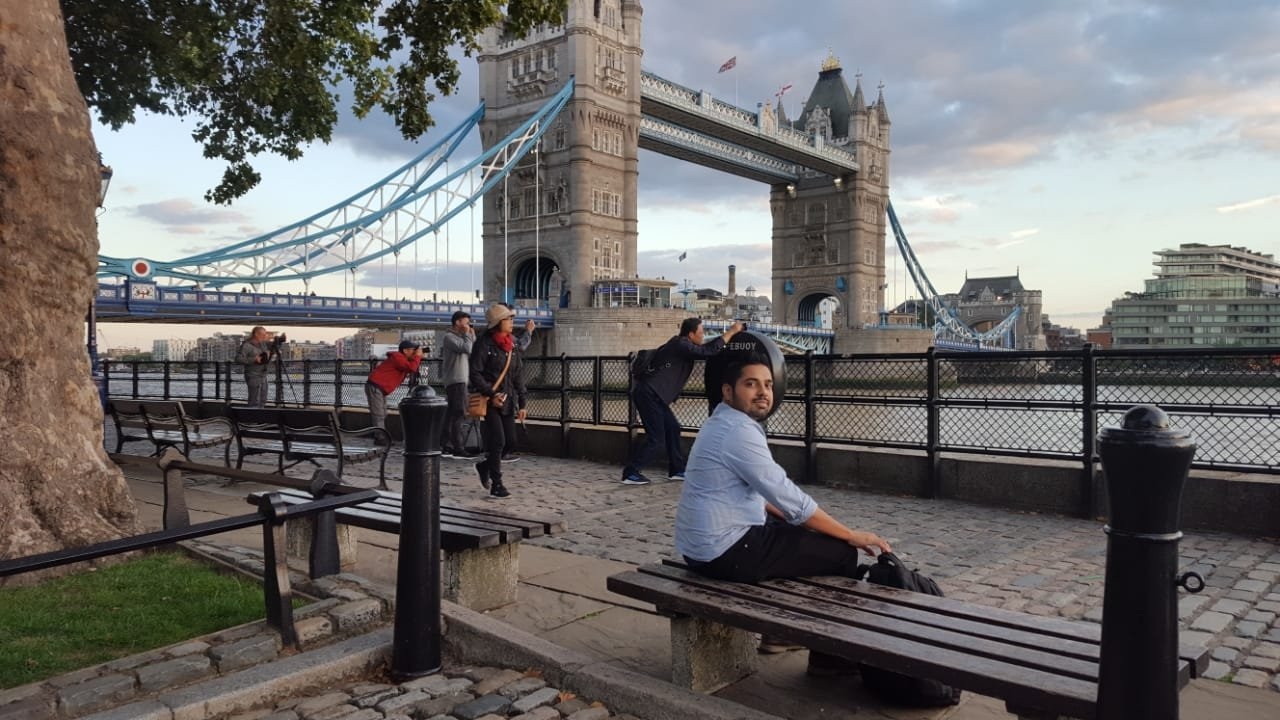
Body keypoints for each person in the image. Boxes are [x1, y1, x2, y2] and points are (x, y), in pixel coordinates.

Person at [675, 359, 892, 670]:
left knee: (808, 538)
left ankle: (782, 632)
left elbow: (763, 500)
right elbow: (791, 499)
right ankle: (827, 655)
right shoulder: (739, 432)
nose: (763, 392)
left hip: (700, 549)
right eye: (751, 384)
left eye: (768, 384)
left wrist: (806, 525)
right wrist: (849, 535)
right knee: (841, 554)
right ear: (727, 391)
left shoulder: (719, 422)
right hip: (725, 551)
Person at [621, 318, 744, 485]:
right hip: (649, 394)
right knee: (656, 438)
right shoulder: (681, 344)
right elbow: (707, 351)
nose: (703, 336)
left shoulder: (682, 345)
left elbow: (707, 349)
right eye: (701, 333)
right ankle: (631, 472)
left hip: (655, 396)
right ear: (691, 334)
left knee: (673, 429)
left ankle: (677, 470)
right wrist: (732, 331)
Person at [470, 304, 528, 499]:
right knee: (498, 441)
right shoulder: (484, 343)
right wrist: (491, 393)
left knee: (510, 442)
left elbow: (518, 375)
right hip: (490, 400)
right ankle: (497, 483)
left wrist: (522, 402)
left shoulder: (512, 344)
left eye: (512, 319)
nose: (512, 322)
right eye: (508, 319)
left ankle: (485, 466)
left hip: (508, 401)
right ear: (497, 323)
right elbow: (475, 373)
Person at [365, 339, 424, 436]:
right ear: (405, 351)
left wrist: (418, 356)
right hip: (375, 386)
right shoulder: (398, 357)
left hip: (379, 388)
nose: (414, 352)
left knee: (383, 413)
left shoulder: (402, 359)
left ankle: (380, 436)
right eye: (412, 350)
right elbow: (412, 368)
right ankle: (380, 438)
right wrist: (417, 356)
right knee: (379, 414)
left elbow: (412, 365)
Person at [439, 310, 476, 459]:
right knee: (459, 413)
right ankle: (458, 447)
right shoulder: (449, 337)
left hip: (460, 379)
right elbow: (467, 348)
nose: (468, 325)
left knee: (452, 414)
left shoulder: (460, 337)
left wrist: (471, 335)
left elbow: (472, 349)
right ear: (457, 322)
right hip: (456, 380)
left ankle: (445, 444)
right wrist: (467, 334)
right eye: (466, 322)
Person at [237, 326, 276, 407]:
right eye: (263, 335)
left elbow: (265, 356)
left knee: (263, 400)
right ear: (256, 334)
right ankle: (252, 414)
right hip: (253, 375)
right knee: (254, 400)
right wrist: (254, 359)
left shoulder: (263, 345)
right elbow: (238, 359)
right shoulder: (247, 345)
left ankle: (260, 414)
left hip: (263, 375)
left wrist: (269, 355)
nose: (264, 336)